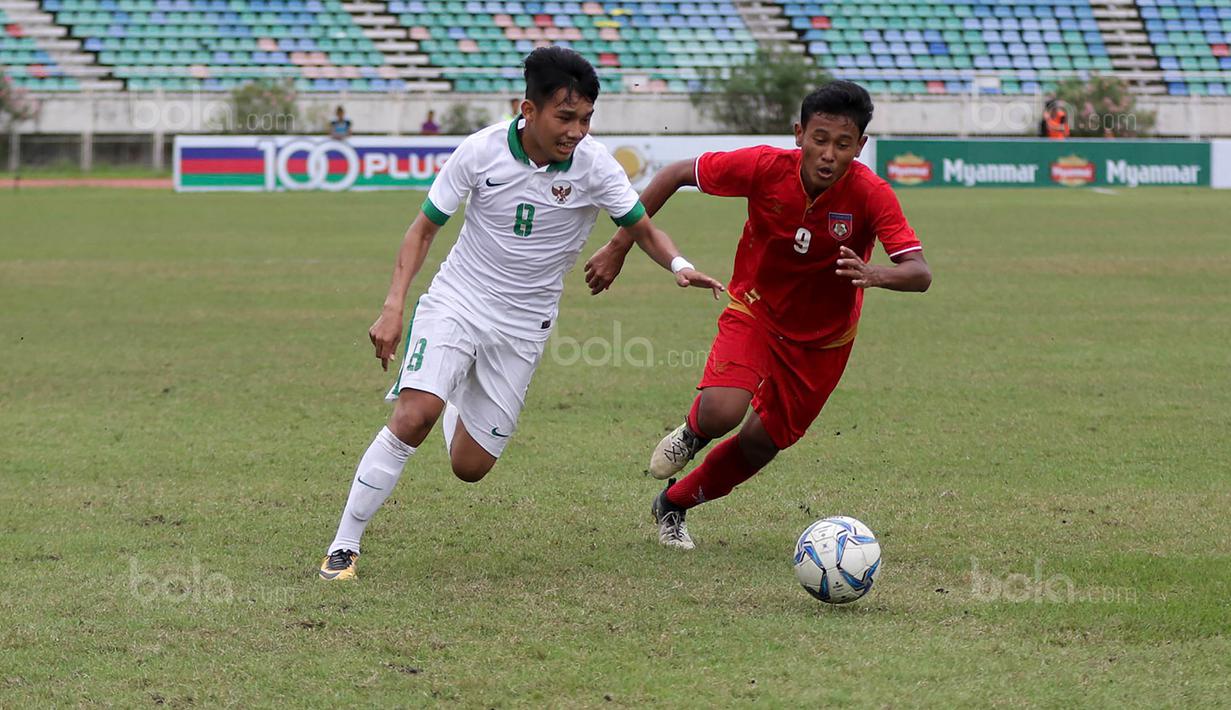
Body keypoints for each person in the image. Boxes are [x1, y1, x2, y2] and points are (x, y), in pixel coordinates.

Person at [318, 47, 724, 580]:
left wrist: (677, 264)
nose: (577, 130)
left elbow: (642, 226)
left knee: (470, 468)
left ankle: (455, 387)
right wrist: (393, 305)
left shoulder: (595, 164)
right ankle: (344, 545)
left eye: (586, 118)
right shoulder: (479, 151)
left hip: (523, 327)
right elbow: (424, 229)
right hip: (458, 301)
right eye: (565, 116)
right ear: (527, 109)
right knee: (416, 415)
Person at [586, 81, 931, 550]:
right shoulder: (765, 167)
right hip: (756, 310)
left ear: (860, 146)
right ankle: (693, 430)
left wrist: (875, 273)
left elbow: (919, 272)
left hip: (823, 342)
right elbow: (673, 174)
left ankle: (673, 504)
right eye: (820, 139)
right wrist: (618, 245)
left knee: (759, 444)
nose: (829, 154)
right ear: (799, 134)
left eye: (843, 144)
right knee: (722, 410)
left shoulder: (871, 195)